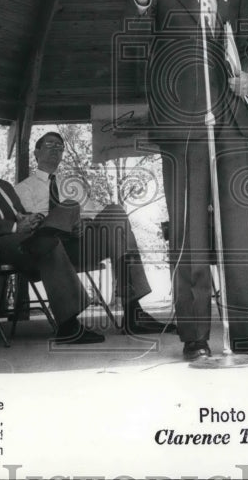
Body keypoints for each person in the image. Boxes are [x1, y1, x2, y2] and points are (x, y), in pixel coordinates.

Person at [124, 0, 248, 360]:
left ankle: (247, 330)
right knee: (190, 232)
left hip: (232, 121)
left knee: (238, 228)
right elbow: (136, 42)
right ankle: (195, 336)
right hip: (183, 124)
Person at [0, 130, 104, 345]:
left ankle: (67, 325)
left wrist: (31, 220)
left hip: (28, 240)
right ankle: (69, 326)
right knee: (48, 240)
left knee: (69, 207)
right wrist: (16, 226)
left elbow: (20, 215)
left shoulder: (4, 186)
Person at [14, 131, 174, 336]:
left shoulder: (72, 185)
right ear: (36, 152)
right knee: (68, 206)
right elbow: (32, 222)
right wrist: (68, 220)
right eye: (50, 144)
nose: (56, 149)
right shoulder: (22, 189)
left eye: (60, 147)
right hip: (54, 249)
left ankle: (134, 313)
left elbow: (95, 213)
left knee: (115, 213)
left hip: (82, 242)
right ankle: (71, 322)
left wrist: (84, 222)